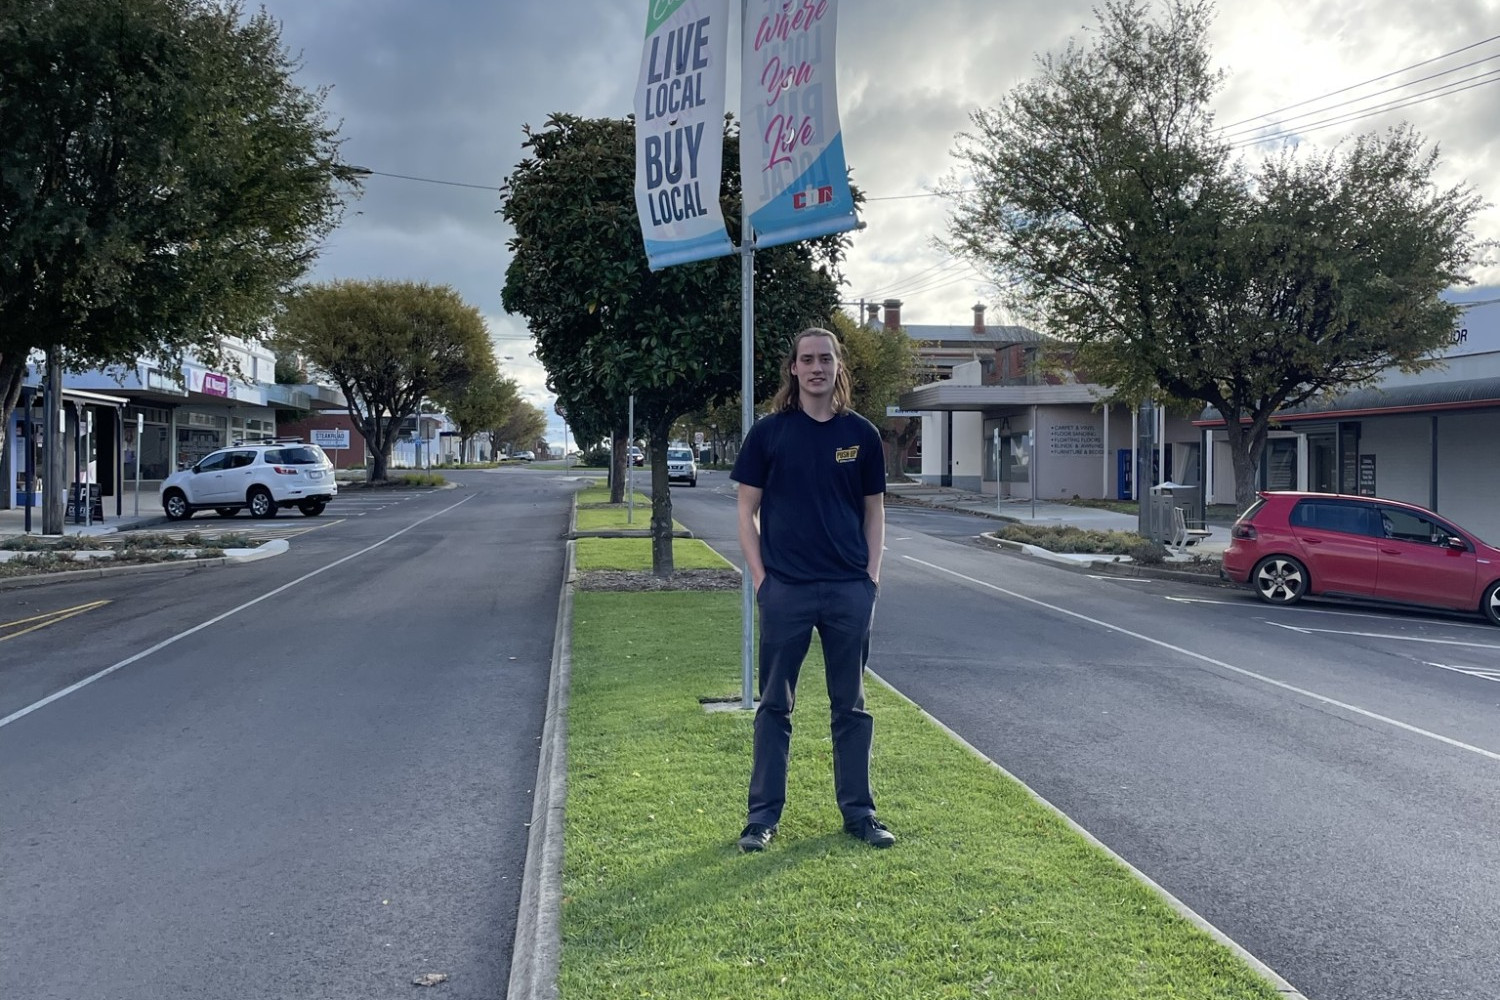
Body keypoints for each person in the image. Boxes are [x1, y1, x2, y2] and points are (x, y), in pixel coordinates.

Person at [731, 326, 894, 852]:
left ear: (838, 367)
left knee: (851, 706)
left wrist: (871, 579)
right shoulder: (769, 433)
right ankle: (761, 819)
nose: (817, 367)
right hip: (788, 592)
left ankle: (860, 814)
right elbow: (745, 511)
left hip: (849, 590)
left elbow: (875, 512)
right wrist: (762, 581)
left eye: (826, 359)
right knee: (775, 706)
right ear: (794, 369)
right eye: (808, 359)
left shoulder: (862, 436)